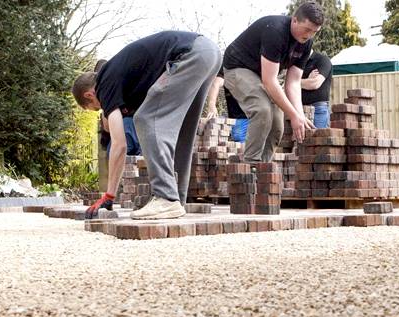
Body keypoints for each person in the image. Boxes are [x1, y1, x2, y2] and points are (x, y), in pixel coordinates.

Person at [72, 31, 221, 220]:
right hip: (209, 53)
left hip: (190, 55)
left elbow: (119, 143)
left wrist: (109, 195)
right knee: (183, 129)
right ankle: (176, 199)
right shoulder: (124, 77)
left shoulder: (104, 82)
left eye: (95, 109)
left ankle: (166, 198)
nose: (101, 111)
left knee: (145, 118)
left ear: (89, 96)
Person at [223, 2, 323, 163]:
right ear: (295, 20)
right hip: (237, 68)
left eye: (314, 32)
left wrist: (299, 115)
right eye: (307, 29)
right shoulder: (276, 31)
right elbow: (269, 81)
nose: (310, 35)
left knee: (278, 124)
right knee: (262, 109)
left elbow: (294, 82)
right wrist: (293, 114)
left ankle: (264, 171)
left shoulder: (306, 43)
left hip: (261, 74)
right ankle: (250, 166)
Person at [301, 50, 333, 128]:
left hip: (318, 109)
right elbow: (287, 83)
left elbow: (315, 84)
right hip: (301, 109)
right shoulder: (298, 63)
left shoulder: (323, 60)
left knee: (319, 137)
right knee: (302, 139)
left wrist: (297, 82)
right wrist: (306, 80)